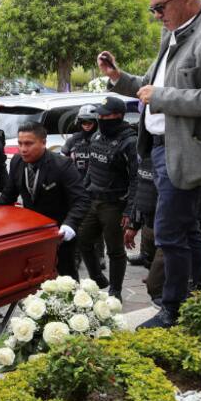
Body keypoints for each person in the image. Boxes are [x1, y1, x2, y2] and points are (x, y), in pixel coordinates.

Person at [99, 0, 201, 327]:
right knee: (188, 228)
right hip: (163, 149)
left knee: (168, 232)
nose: (157, 15)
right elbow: (149, 86)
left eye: (160, 7)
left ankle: (173, 307)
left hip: (187, 153)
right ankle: (198, 294)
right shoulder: (175, 34)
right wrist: (118, 77)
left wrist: (164, 97)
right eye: (154, 9)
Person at [0, 121, 89, 280]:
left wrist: (70, 224)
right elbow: (8, 197)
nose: (23, 149)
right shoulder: (17, 162)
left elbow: (81, 199)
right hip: (32, 233)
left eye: (29, 144)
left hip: (59, 233)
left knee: (66, 278)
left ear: (43, 143)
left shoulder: (62, 165)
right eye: (20, 143)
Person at [75, 97, 138, 297]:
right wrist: (82, 193)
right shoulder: (96, 137)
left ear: (118, 116)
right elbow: (91, 170)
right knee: (83, 241)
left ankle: (116, 291)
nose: (100, 118)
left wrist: (130, 212)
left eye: (105, 115)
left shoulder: (130, 142)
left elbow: (136, 180)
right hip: (93, 199)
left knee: (115, 250)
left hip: (114, 204)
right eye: (99, 114)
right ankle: (98, 278)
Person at [60, 104, 98, 176]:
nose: (87, 125)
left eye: (90, 122)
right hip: (77, 179)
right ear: (79, 123)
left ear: (96, 122)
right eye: (84, 122)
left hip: (96, 180)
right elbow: (62, 162)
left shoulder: (101, 139)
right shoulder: (72, 140)